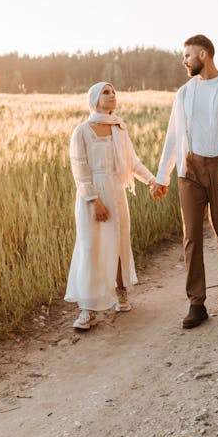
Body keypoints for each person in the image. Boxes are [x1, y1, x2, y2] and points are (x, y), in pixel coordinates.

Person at [152, 34, 218, 329]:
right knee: (191, 236)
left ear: (204, 54)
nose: (184, 61)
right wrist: (162, 175)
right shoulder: (183, 93)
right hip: (189, 171)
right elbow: (173, 137)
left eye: (188, 55)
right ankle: (197, 303)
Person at [65, 81, 157, 330]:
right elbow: (80, 170)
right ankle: (88, 308)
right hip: (92, 196)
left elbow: (132, 162)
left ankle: (120, 292)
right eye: (106, 92)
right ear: (94, 98)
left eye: (114, 91)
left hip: (116, 192)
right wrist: (94, 200)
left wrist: (151, 180)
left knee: (117, 243)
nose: (112, 95)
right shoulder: (82, 131)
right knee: (90, 246)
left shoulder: (119, 128)